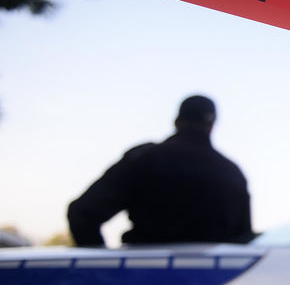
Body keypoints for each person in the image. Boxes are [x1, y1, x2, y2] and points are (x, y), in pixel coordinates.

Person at [68, 95, 254, 246]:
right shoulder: (233, 174)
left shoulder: (144, 159)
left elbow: (81, 213)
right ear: (212, 126)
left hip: (141, 276)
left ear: (177, 122)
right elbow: (244, 240)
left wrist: (104, 271)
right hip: (212, 279)